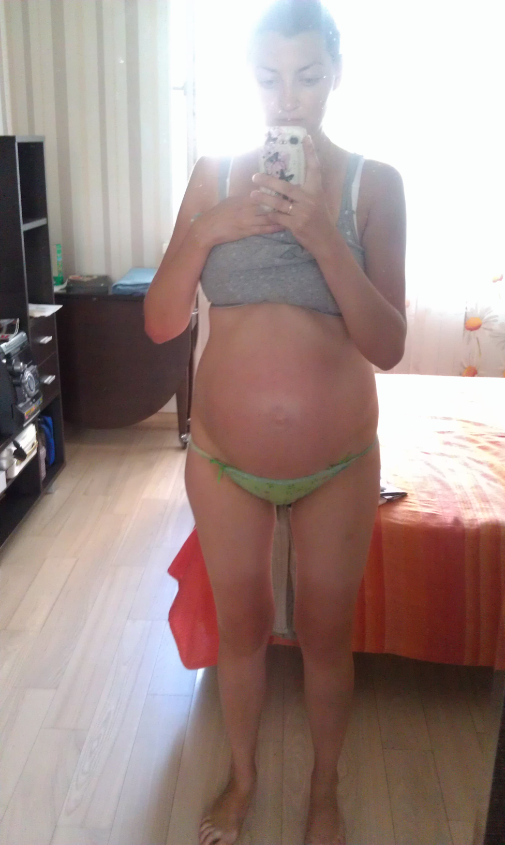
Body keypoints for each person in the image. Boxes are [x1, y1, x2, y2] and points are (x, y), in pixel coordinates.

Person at [144, 1, 407, 841]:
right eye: (267, 78)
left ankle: (324, 790)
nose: (286, 98)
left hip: (339, 463)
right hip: (223, 460)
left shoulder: (373, 184)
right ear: (248, 80)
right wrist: (209, 228)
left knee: (327, 637)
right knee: (243, 629)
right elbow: (159, 321)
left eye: (306, 76)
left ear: (335, 73)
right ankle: (244, 778)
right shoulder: (214, 176)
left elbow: (388, 343)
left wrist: (323, 235)